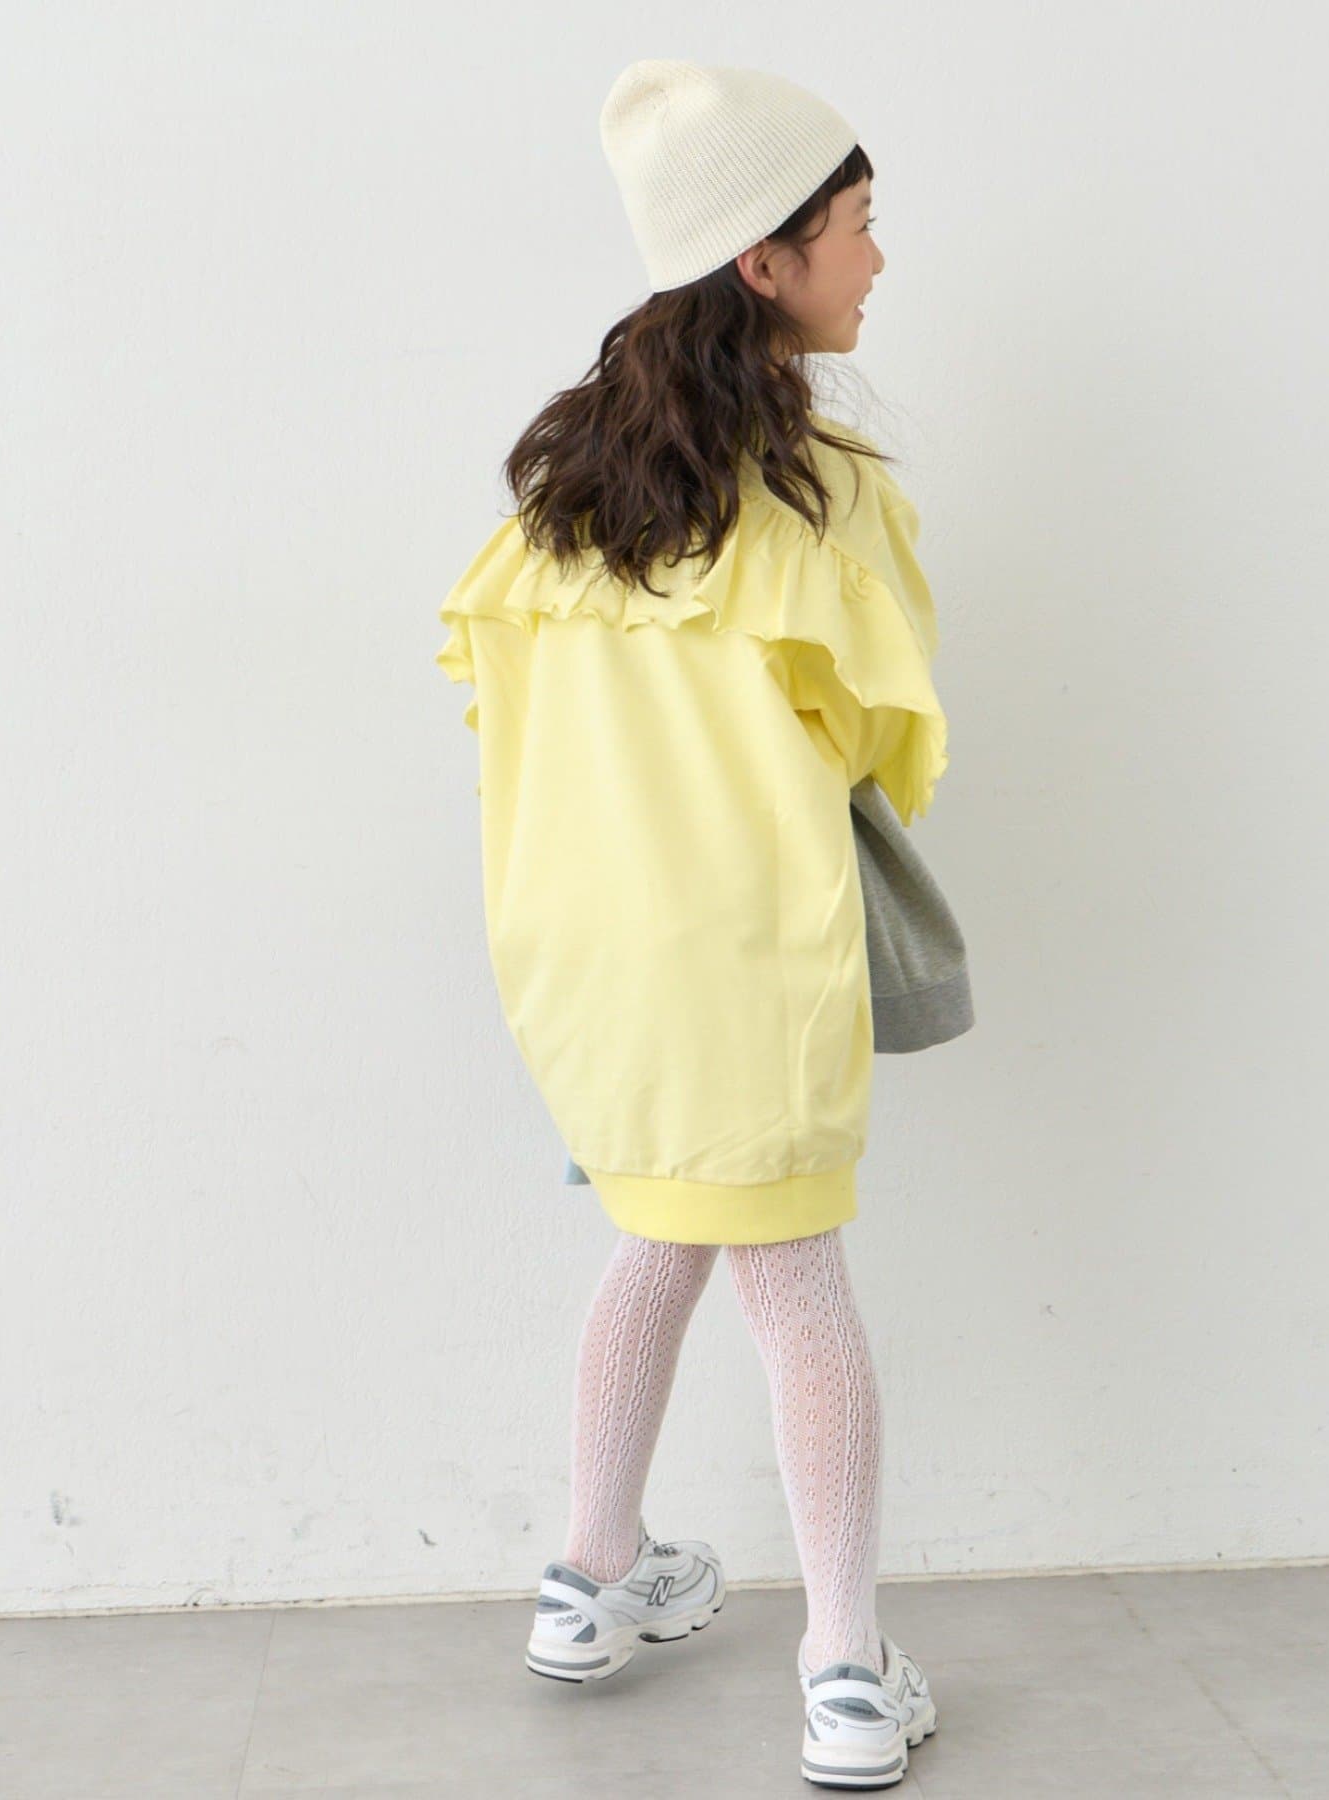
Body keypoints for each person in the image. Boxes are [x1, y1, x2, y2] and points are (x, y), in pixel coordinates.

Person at [435, 59, 947, 1789]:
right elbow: (871, 731)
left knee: (657, 1235)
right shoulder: (821, 491)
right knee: (795, 1286)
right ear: (764, 261)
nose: (878, 257)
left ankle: (590, 1581)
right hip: (747, 952)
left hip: (582, 952)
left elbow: (499, 713)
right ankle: (848, 1670)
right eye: (857, 225)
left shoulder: (562, 487)